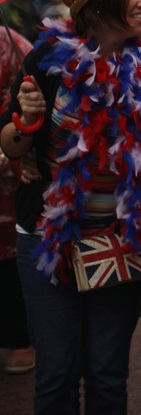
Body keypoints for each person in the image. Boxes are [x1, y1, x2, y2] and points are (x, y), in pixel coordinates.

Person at [0, 0, 141, 414]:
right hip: (48, 237)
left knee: (107, 376)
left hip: (117, 238)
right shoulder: (47, 60)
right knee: (57, 376)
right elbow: (11, 146)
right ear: (104, 1)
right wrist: (26, 120)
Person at [0, 27, 35, 375]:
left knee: (7, 258)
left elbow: (20, 105)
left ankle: (18, 338)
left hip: (7, 173)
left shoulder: (13, 46)